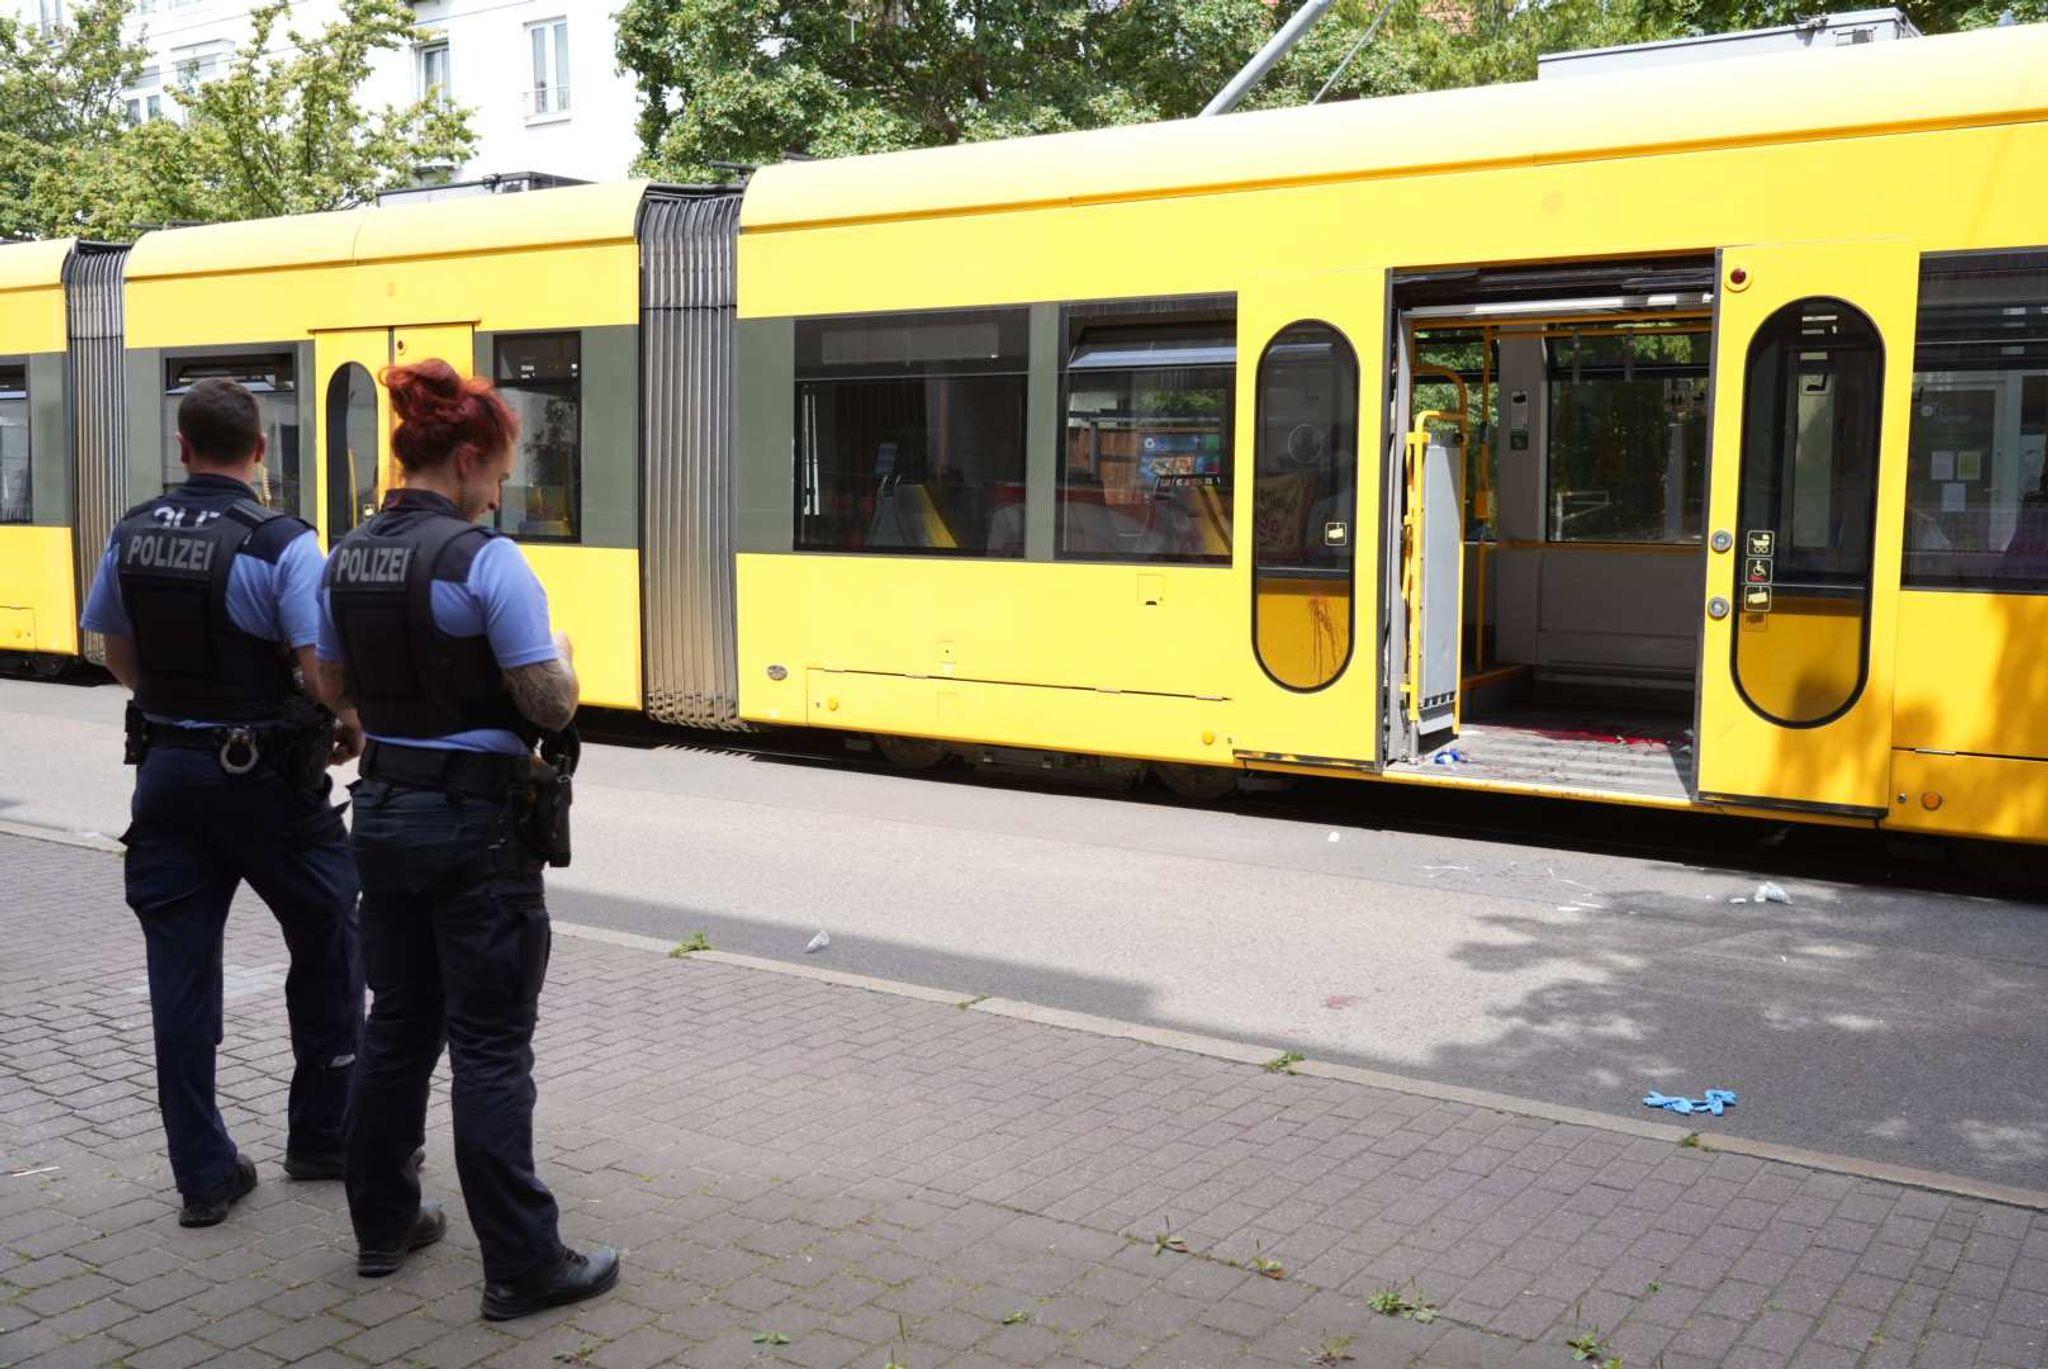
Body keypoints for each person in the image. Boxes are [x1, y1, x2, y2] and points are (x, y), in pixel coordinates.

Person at [317, 359, 617, 1320]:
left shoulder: (344, 556)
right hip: (478, 829)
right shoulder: (485, 560)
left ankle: (381, 1227)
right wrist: (563, 655)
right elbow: (548, 702)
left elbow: (329, 686)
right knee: (491, 1047)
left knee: (398, 1026)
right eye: (500, 471)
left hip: (386, 814)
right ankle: (523, 1265)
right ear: (467, 456)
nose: (502, 490)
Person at [79, 378, 363, 1228]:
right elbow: (322, 674)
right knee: (328, 931)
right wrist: (343, 720)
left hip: (166, 773)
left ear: (182, 445)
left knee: (180, 969)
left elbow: (114, 650)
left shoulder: (130, 535)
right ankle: (320, 1134)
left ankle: (204, 1175)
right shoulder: (281, 544)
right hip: (267, 781)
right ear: (261, 450)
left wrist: (174, 708)